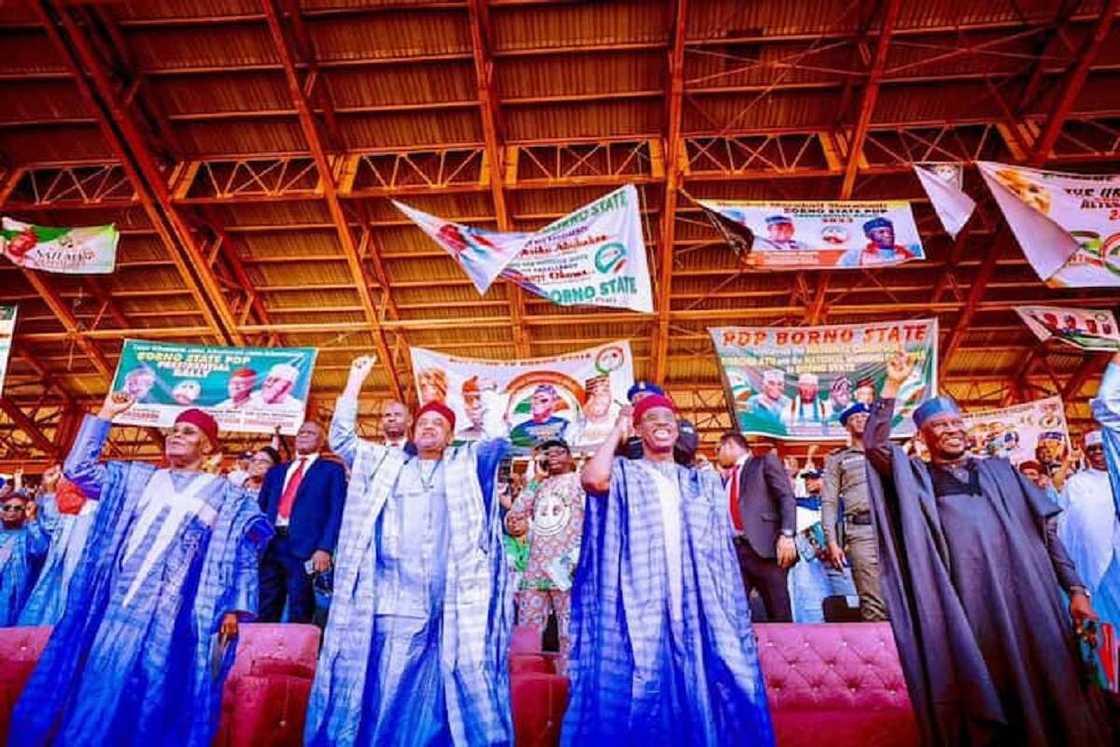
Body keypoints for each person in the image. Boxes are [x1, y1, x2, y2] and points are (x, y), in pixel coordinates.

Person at [863, 352, 1109, 746]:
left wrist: (1076, 590)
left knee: (1052, 680)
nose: (950, 430)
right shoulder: (918, 479)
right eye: (939, 426)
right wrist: (891, 386)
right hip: (971, 606)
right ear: (923, 438)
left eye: (955, 423)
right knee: (990, 684)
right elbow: (875, 446)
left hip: (1031, 598)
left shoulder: (1002, 471)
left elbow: (1047, 535)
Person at [12, 395, 272, 747]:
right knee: (99, 676)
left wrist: (233, 609)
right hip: (117, 603)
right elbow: (79, 470)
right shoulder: (136, 478)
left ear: (208, 446)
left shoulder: (228, 495)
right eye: (174, 430)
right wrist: (107, 414)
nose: (176, 435)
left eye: (189, 432)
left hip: (175, 614)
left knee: (155, 688)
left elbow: (244, 552)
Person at [305, 355, 512, 746]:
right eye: (423, 424)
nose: (430, 428)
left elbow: (498, 442)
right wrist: (354, 380)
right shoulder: (387, 463)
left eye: (439, 425)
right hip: (393, 597)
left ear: (451, 437)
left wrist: (490, 402)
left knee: (445, 685)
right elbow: (343, 440)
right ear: (413, 434)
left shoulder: (466, 464)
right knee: (387, 680)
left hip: (451, 600)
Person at [564, 396, 775, 745]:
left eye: (668, 418)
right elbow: (593, 479)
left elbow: (722, 554)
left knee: (708, 680)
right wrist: (618, 428)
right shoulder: (626, 473)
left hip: (697, 605)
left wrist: (734, 614)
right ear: (637, 429)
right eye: (651, 418)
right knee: (645, 680)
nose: (662, 423)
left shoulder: (700, 482)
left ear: (677, 430)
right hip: (642, 604)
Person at [504, 437, 584, 674]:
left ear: (570, 457)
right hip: (536, 568)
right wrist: (536, 481)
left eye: (559, 452)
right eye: (548, 454)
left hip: (567, 567)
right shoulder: (538, 485)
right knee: (528, 627)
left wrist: (579, 557)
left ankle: (569, 680)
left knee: (569, 628)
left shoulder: (579, 480)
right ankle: (526, 676)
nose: (553, 456)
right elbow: (515, 516)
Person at [257, 420, 346, 625]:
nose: (304, 435)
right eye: (301, 432)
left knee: (301, 607)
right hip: (271, 544)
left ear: (322, 441)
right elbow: (261, 508)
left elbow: (336, 511)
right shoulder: (276, 472)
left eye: (311, 433)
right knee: (265, 605)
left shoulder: (332, 470)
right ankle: (263, 645)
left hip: (307, 548)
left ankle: (298, 646)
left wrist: (325, 548)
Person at [717, 431, 797, 622]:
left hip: (766, 548)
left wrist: (787, 534)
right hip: (736, 551)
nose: (717, 455)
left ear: (730, 445)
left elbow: (786, 497)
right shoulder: (729, 478)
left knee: (778, 610)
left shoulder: (763, 463)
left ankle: (785, 642)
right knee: (736, 613)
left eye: (718, 449)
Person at [1064, 358, 1120, 630]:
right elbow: (1068, 529)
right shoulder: (1077, 483)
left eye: (1102, 448)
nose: (1099, 454)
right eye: (1093, 450)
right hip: (1100, 567)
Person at [822, 402, 887, 621]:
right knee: (872, 599)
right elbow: (829, 502)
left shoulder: (887, 452)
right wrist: (832, 542)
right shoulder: (838, 459)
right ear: (846, 427)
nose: (860, 419)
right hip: (861, 532)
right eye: (854, 418)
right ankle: (879, 642)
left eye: (864, 416)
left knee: (905, 593)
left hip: (892, 528)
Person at [18, 465, 100, 626]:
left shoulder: (97, 511)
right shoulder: (66, 515)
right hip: (56, 582)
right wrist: (49, 491)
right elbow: (51, 526)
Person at [0, 491, 48, 626]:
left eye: (17, 508)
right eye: (7, 507)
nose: (11, 511)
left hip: (12, 599)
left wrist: (32, 519)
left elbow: (41, 550)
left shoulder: (27, 535)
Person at [509, 383, 569, 448]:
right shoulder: (520, 428)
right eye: (535, 399)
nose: (537, 403)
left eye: (543, 400)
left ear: (553, 403)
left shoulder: (564, 424)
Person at [840, 216, 915, 266]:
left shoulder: (909, 250)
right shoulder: (855, 255)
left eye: (890, 232)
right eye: (881, 232)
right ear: (869, 236)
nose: (887, 235)